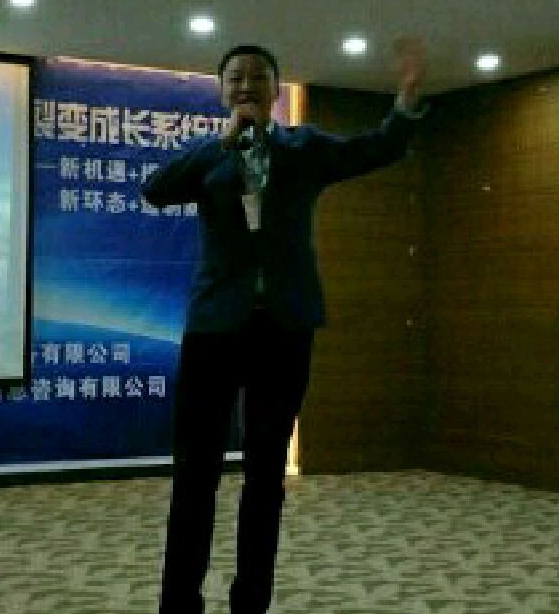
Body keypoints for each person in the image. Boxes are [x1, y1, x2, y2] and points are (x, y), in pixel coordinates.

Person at [142, 39, 428, 614]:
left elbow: (374, 149)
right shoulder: (209, 154)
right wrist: (223, 145)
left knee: (266, 473)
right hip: (214, 330)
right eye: (235, 78)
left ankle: (251, 603)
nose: (246, 86)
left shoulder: (305, 148)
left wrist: (403, 105)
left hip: (284, 328)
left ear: (276, 90)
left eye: (257, 77)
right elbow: (156, 190)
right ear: (222, 92)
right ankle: (179, 603)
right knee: (195, 474)